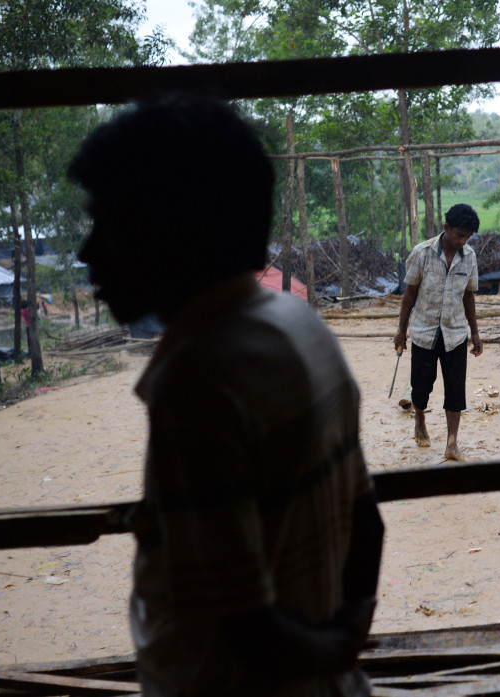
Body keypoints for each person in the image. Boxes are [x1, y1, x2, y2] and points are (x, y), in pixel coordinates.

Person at [69, 94, 384, 697]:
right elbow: (365, 521)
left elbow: (248, 635)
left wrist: (335, 651)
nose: (88, 252)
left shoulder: (199, 381)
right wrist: (344, 646)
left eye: (108, 223)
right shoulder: (301, 325)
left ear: (169, 229)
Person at [394, 203, 483, 461]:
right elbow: (409, 295)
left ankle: (452, 444)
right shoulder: (422, 253)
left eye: (467, 236)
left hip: (455, 334)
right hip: (424, 332)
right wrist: (401, 331)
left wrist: (475, 333)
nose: (463, 241)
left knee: (456, 390)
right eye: (459, 235)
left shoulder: (470, 257)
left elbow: (469, 296)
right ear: (447, 228)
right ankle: (419, 418)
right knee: (421, 388)